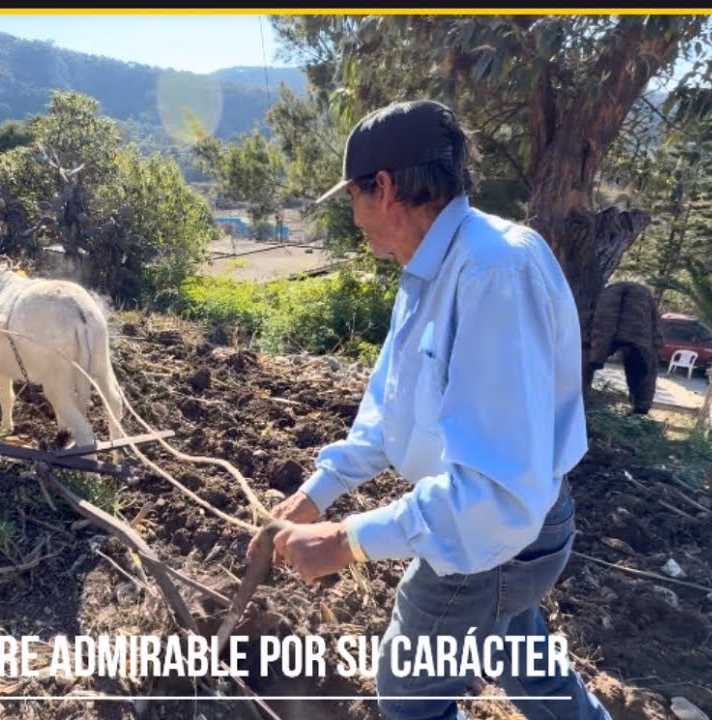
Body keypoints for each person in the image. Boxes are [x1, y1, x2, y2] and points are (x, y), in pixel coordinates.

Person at [249, 100, 613, 720]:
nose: (355, 216)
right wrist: (320, 490)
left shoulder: (492, 271)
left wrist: (344, 540)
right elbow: (390, 408)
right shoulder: (433, 268)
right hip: (500, 529)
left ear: (384, 188)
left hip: (494, 531)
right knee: (516, 649)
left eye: (354, 197)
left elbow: (492, 493)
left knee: (410, 696)